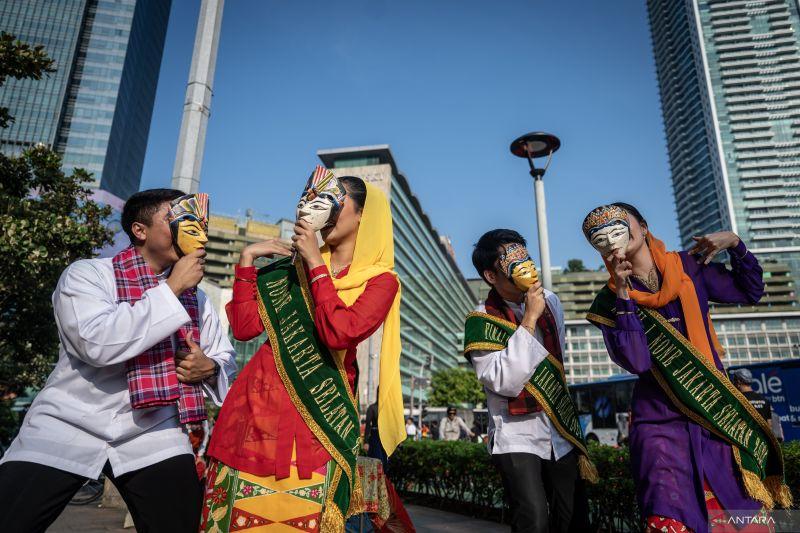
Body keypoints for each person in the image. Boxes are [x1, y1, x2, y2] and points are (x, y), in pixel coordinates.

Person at [0, 189, 237, 532]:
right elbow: (95, 343)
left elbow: (222, 356)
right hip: (69, 419)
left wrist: (210, 368)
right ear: (140, 231)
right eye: (179, 220)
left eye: (198, 221)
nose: (194, 230)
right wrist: (170, 291)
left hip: (152, 429)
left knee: (182, 522)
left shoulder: (197, 297)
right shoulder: (88, 275)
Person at [202, 172, 406, 532]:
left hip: (317, 413)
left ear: (362, 215)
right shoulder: (291, 267)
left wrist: (315, 264)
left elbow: (340, 332)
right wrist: (247, 261)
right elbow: (246, 327)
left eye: (331, 202)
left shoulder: (381, 281)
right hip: (255, 408)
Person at [584, 203, 791, 533]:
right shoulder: (608, 302)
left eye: (618, 226)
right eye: (599, 237)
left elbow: (751, 290)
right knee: (671, 514)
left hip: (713, 408)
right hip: (659, 422)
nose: (611, 238)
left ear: (643, 226)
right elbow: (637, 361)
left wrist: (735, 244)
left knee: (739, 506)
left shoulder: (688, 267)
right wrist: (624, 295)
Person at [464, 229, 593, 533]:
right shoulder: (481, 320)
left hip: (558, 428)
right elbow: (504, 381)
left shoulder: (551, 301)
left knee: (573, 516)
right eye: (512, 262)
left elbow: (556, 355)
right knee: (533, 519)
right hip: (516, 434)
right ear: (491, 276)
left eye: (526, 257)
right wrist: (529, 321)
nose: (525, 267)